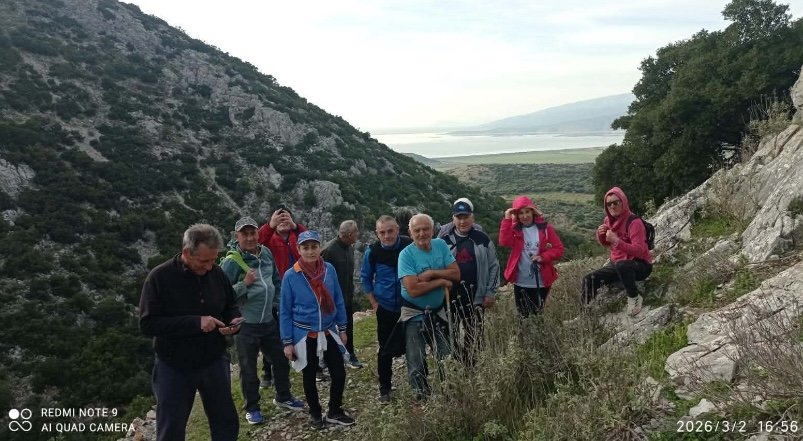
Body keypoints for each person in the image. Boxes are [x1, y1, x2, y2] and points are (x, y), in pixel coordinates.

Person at [139, 224, 243, 441]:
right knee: (171, 427)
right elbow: (148, 324)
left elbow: (230, 303)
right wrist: (195, 323)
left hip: (214, 360)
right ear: (187, 252)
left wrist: (233, 320)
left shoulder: (217, 273)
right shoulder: (160, 278)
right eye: (204, 261)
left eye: (213, 260)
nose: (209, 266)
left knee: (225, 420)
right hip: (174, 365)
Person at [220, 217, 304, 425]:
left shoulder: (265, 253)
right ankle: (252, 408)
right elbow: (220, 293)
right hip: (245, 323)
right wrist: (244, 284)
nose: (249, 237)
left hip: (268, 319)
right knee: (248, 369)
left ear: (258, 234)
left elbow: (275, 279)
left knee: (281, 359)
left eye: (252, 233)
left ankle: (283, 396)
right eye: (244, 234)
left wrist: (281, 305)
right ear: (237, 236)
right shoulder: (231, 262)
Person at [279, 230, 355, 429]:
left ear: (319, 247)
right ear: (299, 249)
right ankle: (315, 413)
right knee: (309, 374)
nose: (311, 252)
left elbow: (337, 298)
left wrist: (343, 328)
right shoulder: (291, 275)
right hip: (304, 333)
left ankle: (334, 410)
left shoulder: (329, 269)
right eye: (306, 248)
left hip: (329, 329)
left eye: (314, 247)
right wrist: (287, 342)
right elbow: (285, 311)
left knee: (339, 372)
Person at [398, 214, 460, 399]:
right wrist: (441, 281)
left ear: (433, 230)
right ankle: (421, 397)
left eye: (426, 229)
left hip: (438, 310)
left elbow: (456, 274)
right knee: (416, 359)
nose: (422, 233)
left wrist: (431, 273)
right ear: (410, 233)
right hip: (413, 313)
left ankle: (448, 391)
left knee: (446, 354)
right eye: (417, 230)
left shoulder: (440, 245)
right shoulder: (406, 255)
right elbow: (413, 289)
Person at [438, 198, 499, 365]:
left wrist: (490, 292)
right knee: (450, 334)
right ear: (453, 218)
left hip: (476, 296)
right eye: (459, 217)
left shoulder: (481, 238)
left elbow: (494, 265)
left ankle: (472, 366)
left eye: (466, 217)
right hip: (450, 298)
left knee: (474, 334)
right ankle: (457, 363)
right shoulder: (444, 240)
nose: (462, 221)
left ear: (472, 217)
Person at [359, 215, 412, 403]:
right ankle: (385, 388)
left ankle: (418, 383)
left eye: (390, 231)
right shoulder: (372, 252)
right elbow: (365, 277)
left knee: (414, 345)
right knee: (385, 348)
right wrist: (374, 303)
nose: (387, 236)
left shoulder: (409, 245)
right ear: (377, 233)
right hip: (386, 308)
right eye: (382, 232)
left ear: (397, 229)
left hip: (410, 305)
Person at [582, 187, 653, 316]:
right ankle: (583, 315)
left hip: (640, 265)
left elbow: (640, 251)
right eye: (609, 204)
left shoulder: (634, 222)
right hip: (618, 264)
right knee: (589, 279)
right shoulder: (608, 221)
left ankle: (634, 298)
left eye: (616, 202)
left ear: (623, 202)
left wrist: (617, 241)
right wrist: (601, 235)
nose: (612, 206)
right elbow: (606, 244)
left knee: (622, 265)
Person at [257, 206, 307, 387]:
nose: (283, 220)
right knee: (272, 332)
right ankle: (267, 371)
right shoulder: (269, 240)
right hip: (276, 292)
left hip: (298, 289)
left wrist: (295, 226)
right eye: (280, 218)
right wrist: (270, 225)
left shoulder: (296, 237)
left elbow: (310, 241)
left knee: (299, 326)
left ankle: (305, 361)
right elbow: (257, 241)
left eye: (286, 217)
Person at [499, 196, 565, 317]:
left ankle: (539, 336)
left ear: (533, 211)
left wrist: (543, 257)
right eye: (521, 213)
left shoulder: (545, 228)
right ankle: (525, 336)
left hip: (541, 281)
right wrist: (507, 218)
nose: (525, 216)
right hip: (520, 281)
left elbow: (559, 249)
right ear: (517, 215)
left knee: (537, 314)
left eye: (527, 211)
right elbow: (504, 242)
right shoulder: (515, 230)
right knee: (523, 316)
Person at [322, 220, 364, 369]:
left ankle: (350, 355)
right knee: (329, 330)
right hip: (331, 300)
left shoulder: (350, 248)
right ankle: (326, 360)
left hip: (347, 297)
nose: (358, 235)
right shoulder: (329, 250)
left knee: (348, 327)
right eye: (356, 232)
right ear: (350, 234)